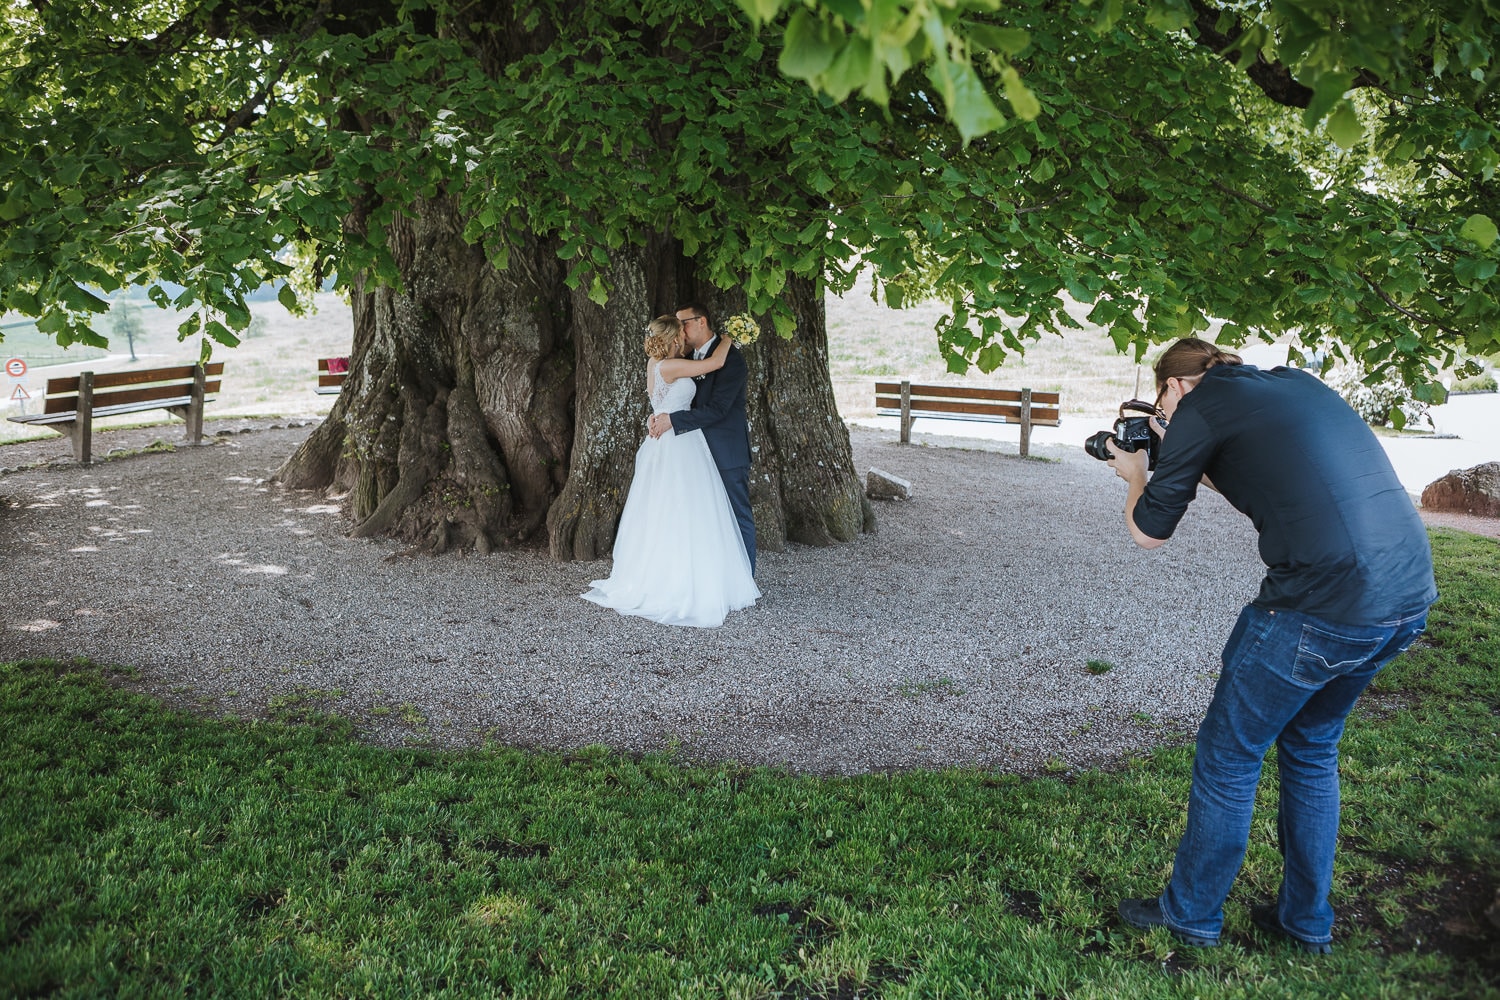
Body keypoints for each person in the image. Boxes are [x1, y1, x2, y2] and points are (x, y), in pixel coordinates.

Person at [1107, 338, 1437, 954]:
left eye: (1164, 405)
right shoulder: (1294, 383)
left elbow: (1148, 532)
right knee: (1312, 749)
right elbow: (1261, 467)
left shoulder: (1200, 406)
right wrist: (1178, 444)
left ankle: (1191, 916)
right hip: (1404, 599)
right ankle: (1306, 923)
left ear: (1175, 386)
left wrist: (1135, 474)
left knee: (1230, 757)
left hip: (1318, 609)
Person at [582, 315, 760, 628]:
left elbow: (662, 404)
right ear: (674, 338)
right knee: (687, 510)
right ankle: (685, 581)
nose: (684, 335)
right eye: (680, 332)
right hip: (679, 444)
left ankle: (686, 573)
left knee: (672, 510)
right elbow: (716, 364)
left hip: (670, 440)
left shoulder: (656, 364)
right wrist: (731, 337)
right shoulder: (671, 366)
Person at [648, 302, 756, 575]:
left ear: (701, 322)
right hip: (693, 452)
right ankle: (712, 578)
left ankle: (744, 580)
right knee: (702, 518)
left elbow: (719, 408)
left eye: (684, 322)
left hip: (725, 450)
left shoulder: (730, 359)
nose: (680, 329)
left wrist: (671, 419)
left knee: (736, 515)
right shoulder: (687, 359)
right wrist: (660, 415)